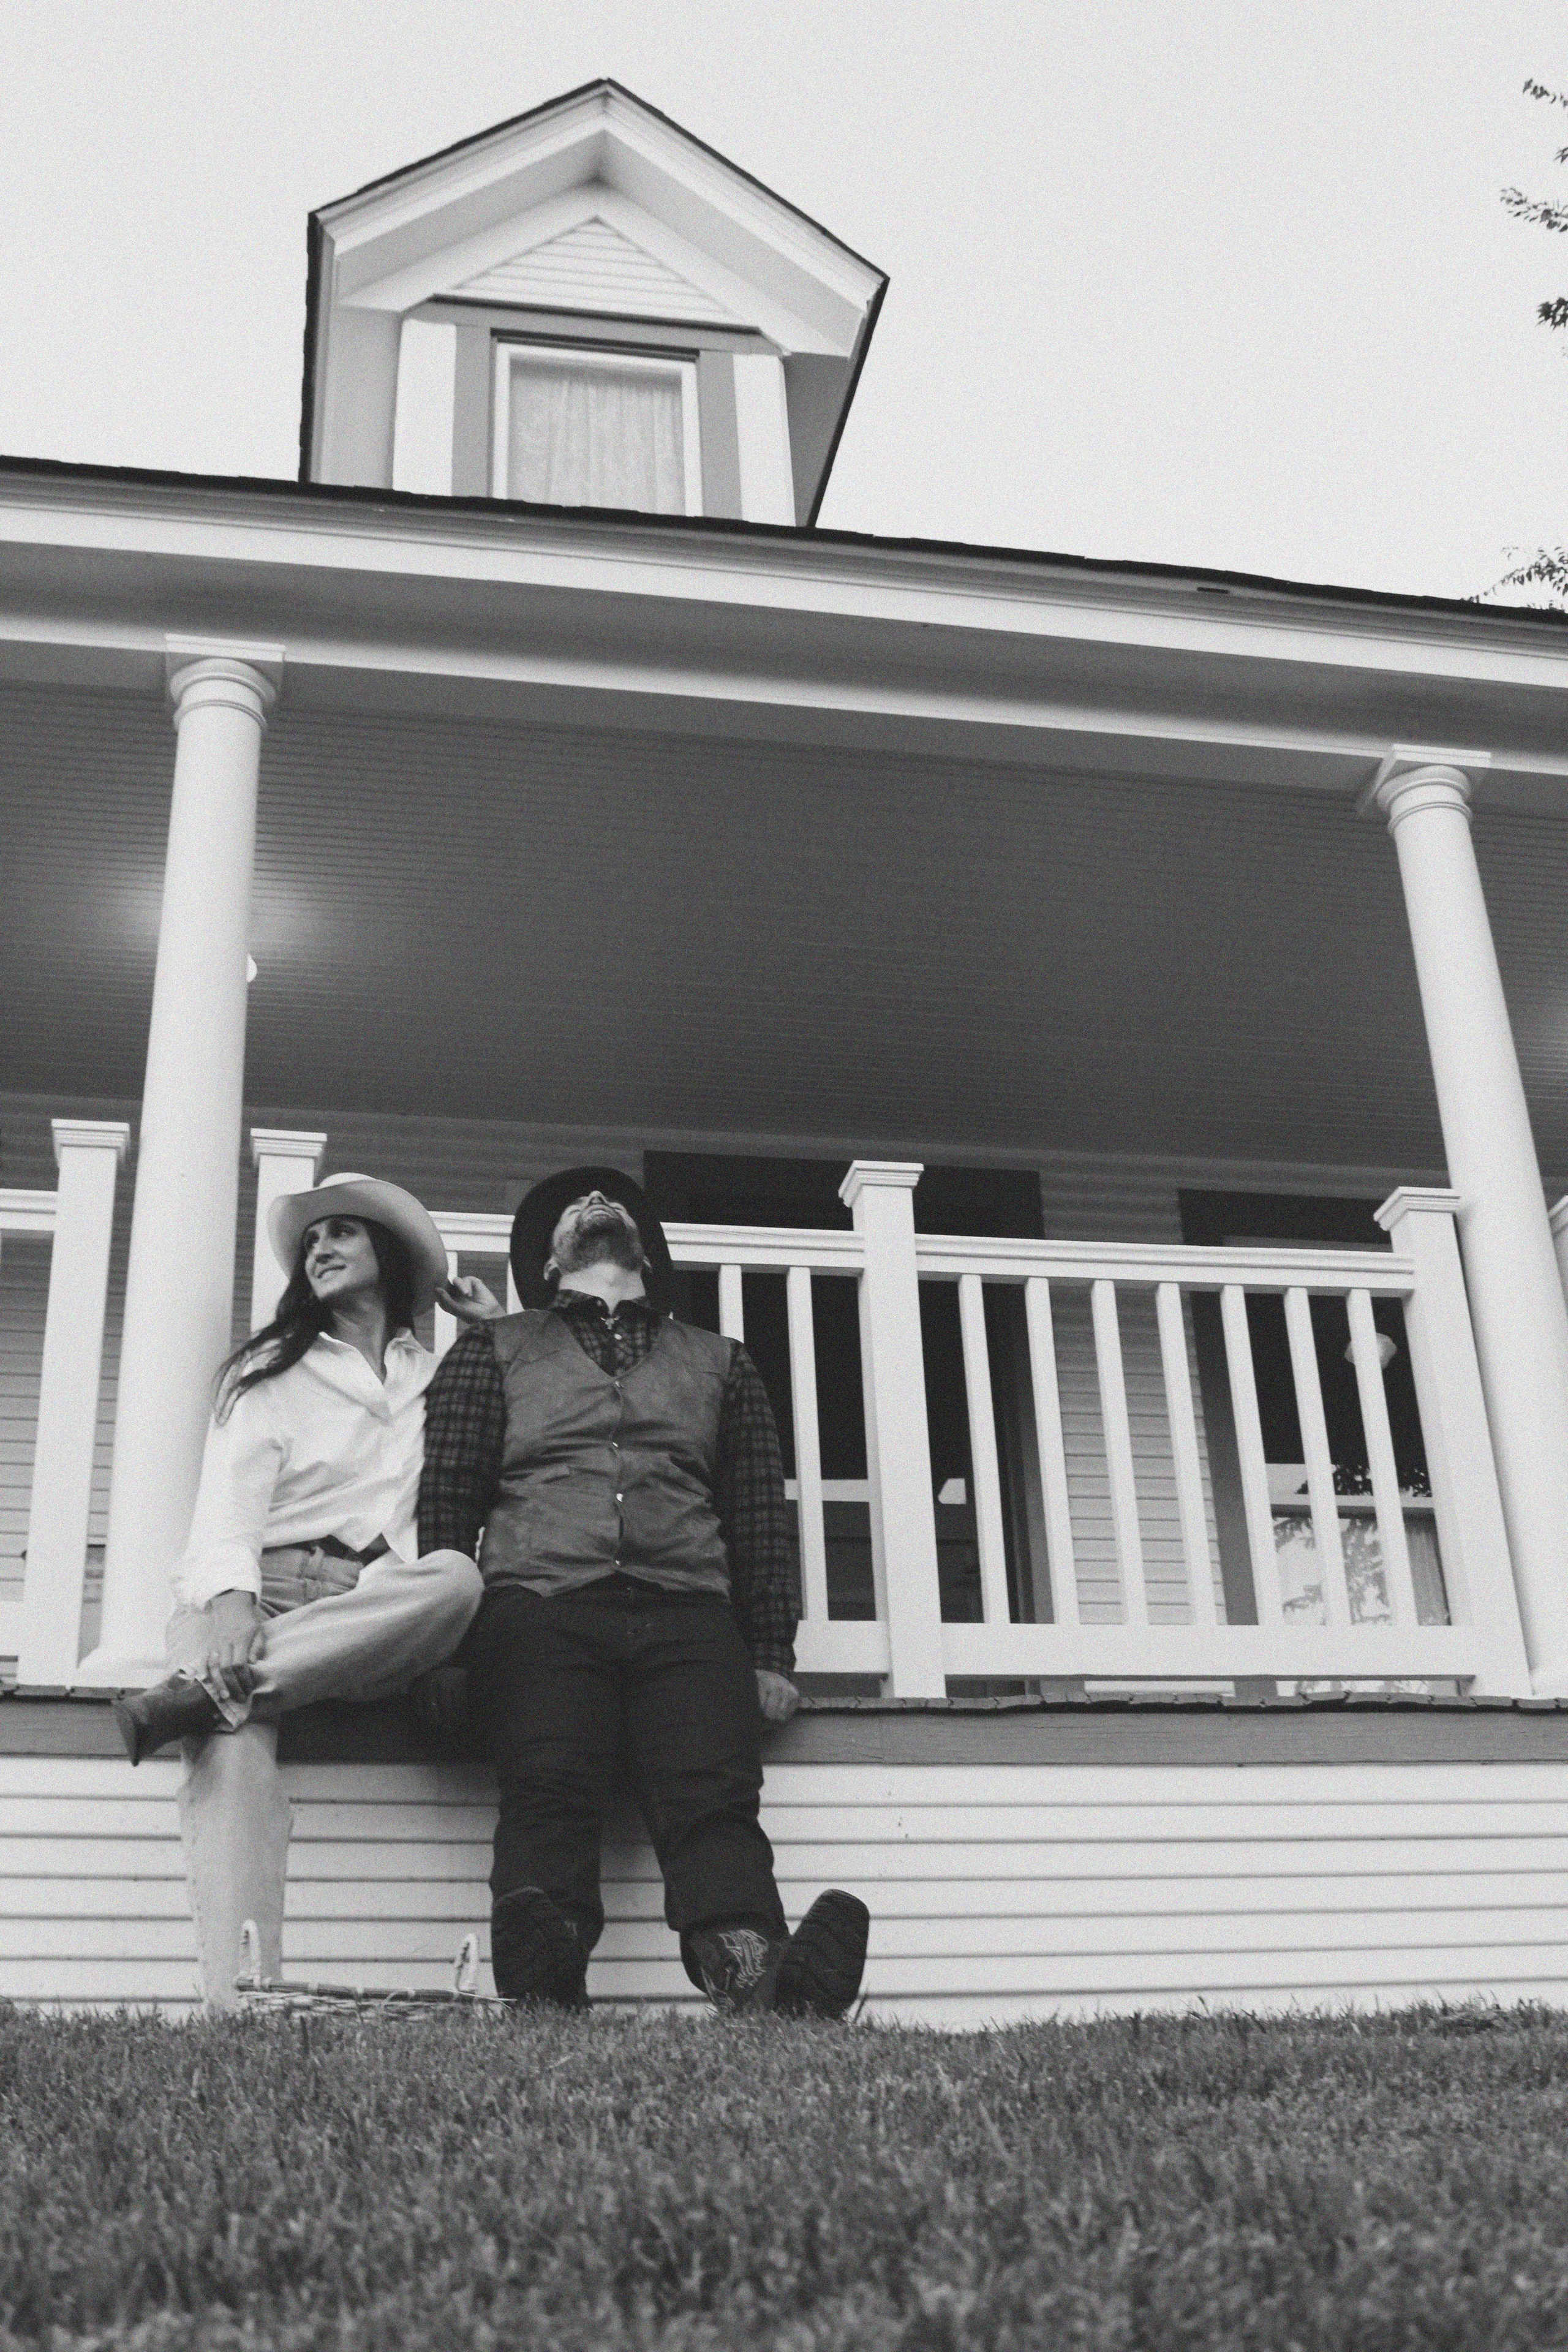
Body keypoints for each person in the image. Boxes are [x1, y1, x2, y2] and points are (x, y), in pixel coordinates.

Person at [420, 1164, 870, 2016]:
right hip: (539, 1605)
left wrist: (771, 1650)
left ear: (649, 1256)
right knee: (548, 1790)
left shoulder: (721, 1362)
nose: (596, 1205)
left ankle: (761, 1984)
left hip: (689, 1611)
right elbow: (449, 1498)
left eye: (613, 1202)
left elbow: (756, 1515)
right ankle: (545, 1985)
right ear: (547, 1266)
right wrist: (448, 1651)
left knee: (714, 1804)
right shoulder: (495, 1347)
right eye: (572, 1213)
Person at [114, 1172, 497, 2007]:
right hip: (266, 1587)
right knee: (236, 1756)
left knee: (458, 1579)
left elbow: (489, 1470)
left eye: (342, 1234)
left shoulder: (438, 1378)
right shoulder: (270, 1367)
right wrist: (231, 1604)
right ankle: (241, 2004)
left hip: (368, 1610)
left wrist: (498, 1332)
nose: (320, 1249)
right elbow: (229, 1503)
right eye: (313, 1242)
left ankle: (195, 1698)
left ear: (386, 1256)